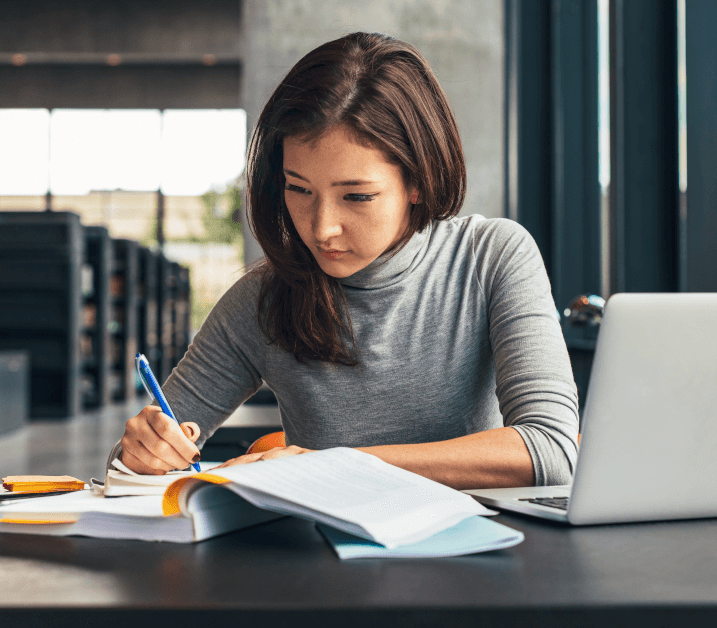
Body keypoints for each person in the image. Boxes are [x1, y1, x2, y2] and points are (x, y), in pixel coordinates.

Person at [109, 32, 578, 489]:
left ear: (419, 181)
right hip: (324, 563)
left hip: (479, 557)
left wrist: (332, 466)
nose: (320, 228)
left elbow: (551, 450)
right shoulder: (261, 300)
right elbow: (123, 471)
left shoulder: (491, 257)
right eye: (299, 189)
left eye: (356, 196)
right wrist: (142, 452)